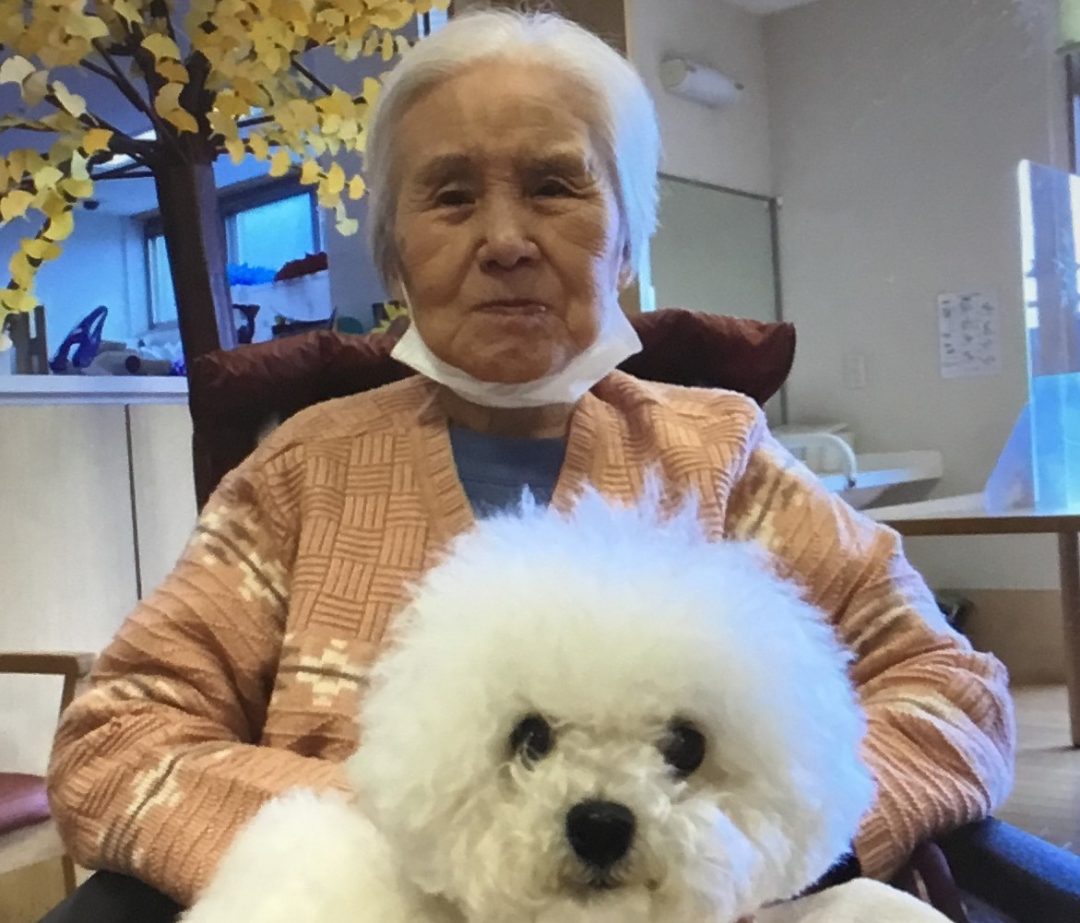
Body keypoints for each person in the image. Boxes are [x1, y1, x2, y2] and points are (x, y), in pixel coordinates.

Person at [41, 9, 1014, 920]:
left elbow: (952, 692)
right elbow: (113, 738)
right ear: (394, 255)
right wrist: (408, 846)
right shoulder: (296, 477)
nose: (505, 240)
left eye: (554, 184)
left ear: (627, 240)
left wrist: (766, 844)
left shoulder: (723, 457)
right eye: (451, 195)